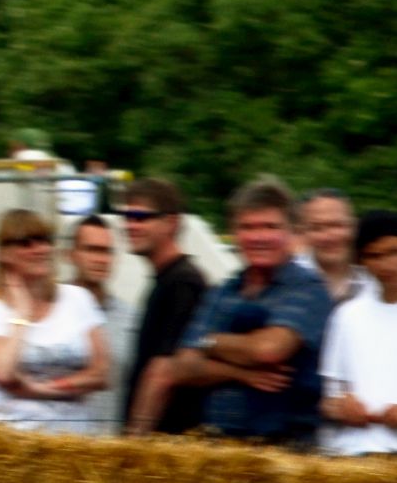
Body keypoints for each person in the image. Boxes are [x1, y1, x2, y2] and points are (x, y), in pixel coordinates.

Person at [129, 176, 333, 445]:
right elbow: (181, 366)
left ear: (291, 232)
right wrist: (241, 372)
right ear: (234, 233)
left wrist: (211, 342)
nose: (259, 237)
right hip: (220, 447)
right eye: (248, 227)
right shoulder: (224, 290)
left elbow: (268, 350)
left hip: (285, 451)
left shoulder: (307, 288)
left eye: (270, 226)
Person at [0, 210, 108, 433]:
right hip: (11, 444)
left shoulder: (78, 298)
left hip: (76, 444)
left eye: (44, 240)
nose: (39, 249)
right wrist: (22, 314)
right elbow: (3, 372)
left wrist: (39, 388)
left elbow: (102, 373)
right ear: (3, 254)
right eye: (25, 243)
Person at [119, 178, 208, 433]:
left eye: (140, 217)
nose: (130, 225)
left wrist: (134, 445)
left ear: (171, 223)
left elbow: (162, 372)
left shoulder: (182, 283)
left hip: (165, 445)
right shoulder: (166, 280)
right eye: (127, 217)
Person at [319, 210, 397, 455]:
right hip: (355, 454)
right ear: (362, 262)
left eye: (396, 251)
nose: (387, 264)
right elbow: (329, 400)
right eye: (375, 256)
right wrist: (342, 408)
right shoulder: (347, 316)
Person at [68, 215, 135, 434]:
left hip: (109, 451)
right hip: (57, 445)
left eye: (106, 251)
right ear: (71, 255)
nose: (101, 259)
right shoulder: (49, 311)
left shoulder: (130, 319)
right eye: (91, 249)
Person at [295, 189, 377, 303]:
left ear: (353, 226)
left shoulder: (375, 279)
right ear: (303, 233)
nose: (329, 237)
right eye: (317, 228)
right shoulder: (288, 279)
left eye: (337, 225)